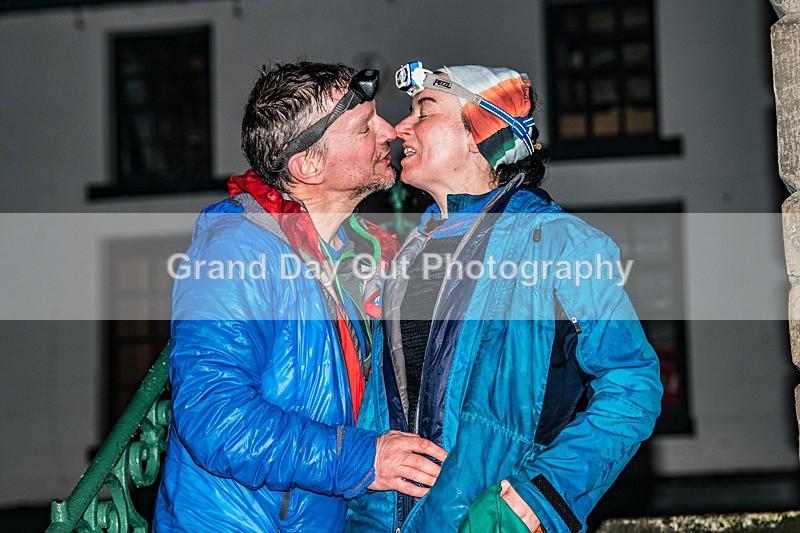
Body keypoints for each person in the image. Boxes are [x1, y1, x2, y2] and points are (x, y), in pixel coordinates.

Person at [346, 62, 663, 533]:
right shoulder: (406, 255)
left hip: (487, 522)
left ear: (480, 132)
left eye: (424, 112)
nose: (400, 128)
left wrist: (542, 496)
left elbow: (633, 383)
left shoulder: (559, 244)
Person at [154, 61, 447, 533]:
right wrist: (363, 458)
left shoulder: (352, 255)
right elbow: (215, 417)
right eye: (364, 126)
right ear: (308, 165)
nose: (390, 131)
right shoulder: (236, 251)